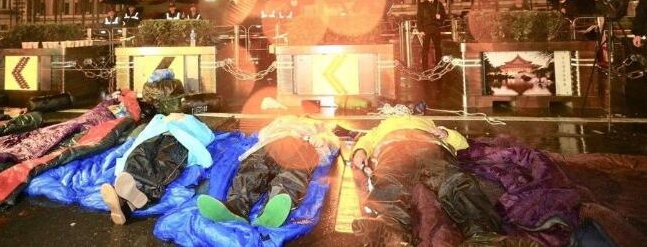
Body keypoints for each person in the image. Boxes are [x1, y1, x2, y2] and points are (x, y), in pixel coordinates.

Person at [351, 115, 501, 244]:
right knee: (390, 178)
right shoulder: (380, 128)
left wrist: (446, 134)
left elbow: (463, 144)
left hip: (431, 146)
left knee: (453, 181)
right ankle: (390, 226)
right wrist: (360, 150)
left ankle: (482, 233)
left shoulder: (430, 124)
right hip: (394, 148)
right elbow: (366, 141)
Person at [197, 115, 339, 228]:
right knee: (254, 166)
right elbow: (264, 133)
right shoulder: (286, 119)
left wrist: (320, 139)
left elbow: (333, 144)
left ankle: (275, 207)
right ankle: (236, 206)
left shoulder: (320, 127)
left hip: (304, 146)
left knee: (293, 171)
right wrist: (283, 133)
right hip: (277, 144)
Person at [101, 113, 215, 225]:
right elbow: (153, 124)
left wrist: (184, 119)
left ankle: (131, 199)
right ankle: (128, 200)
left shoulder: (193, 122)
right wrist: (165, 119)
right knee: (138, 154)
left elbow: (206, 136)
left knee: (163, 162)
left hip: (178, 141)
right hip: (157, 136)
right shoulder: (163, 121)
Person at [416, 0, 447, 70]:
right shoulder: (422, 5)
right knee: (425, 49)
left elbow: (444, 16)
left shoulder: (439, 4)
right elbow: (419, 18)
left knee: (438, 48)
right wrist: (420, 30)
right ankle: (425, 67)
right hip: (426, 29)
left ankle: (439, 66)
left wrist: (440, 17)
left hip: (436, 28)